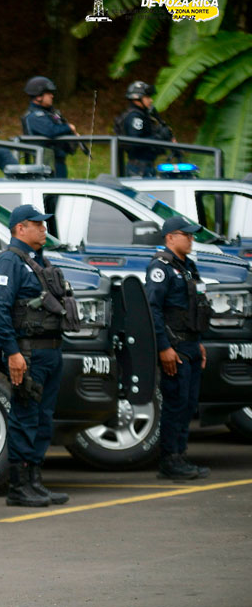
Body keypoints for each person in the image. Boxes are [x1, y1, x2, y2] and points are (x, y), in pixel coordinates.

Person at [0, 205, 80, 508]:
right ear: (19, 229)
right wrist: (13, 353)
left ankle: (36, 483)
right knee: (26, 417)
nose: (43, 229)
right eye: (36, 224)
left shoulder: (40, 262)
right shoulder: (9, 262)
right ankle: (19, 486)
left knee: (43, 420)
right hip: (28, 353)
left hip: (51, 350)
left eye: (43, 224)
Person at [145, 216, 212, 481]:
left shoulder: (188, 267)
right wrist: (164, 347)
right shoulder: (160, 267)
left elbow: (193, 308)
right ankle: (170, 460)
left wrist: (199, 343)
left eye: (192, 235)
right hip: (175, 347)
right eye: (186, 235)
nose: (191, 239)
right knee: (175, 404)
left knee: (188, 405)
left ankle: (180, 455)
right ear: (170, 237)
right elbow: (153, 310)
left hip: (191, 344)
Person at [20, 76, 80, 179]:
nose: (52, 96)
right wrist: (69, 127)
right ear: (38, 96)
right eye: (48, 93)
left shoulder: (49, 113)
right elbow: (50, 130)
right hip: (45, 165)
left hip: (56, 162)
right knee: (54, 193)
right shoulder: (34, 116)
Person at [115, 81, 175, 177]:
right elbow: (136, 142)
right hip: (139, 169)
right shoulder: (135, 117)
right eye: (147, 97)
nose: (150, 100)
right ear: (136, 99)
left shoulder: (143, 115)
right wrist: (159, 137)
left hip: (145, 167)